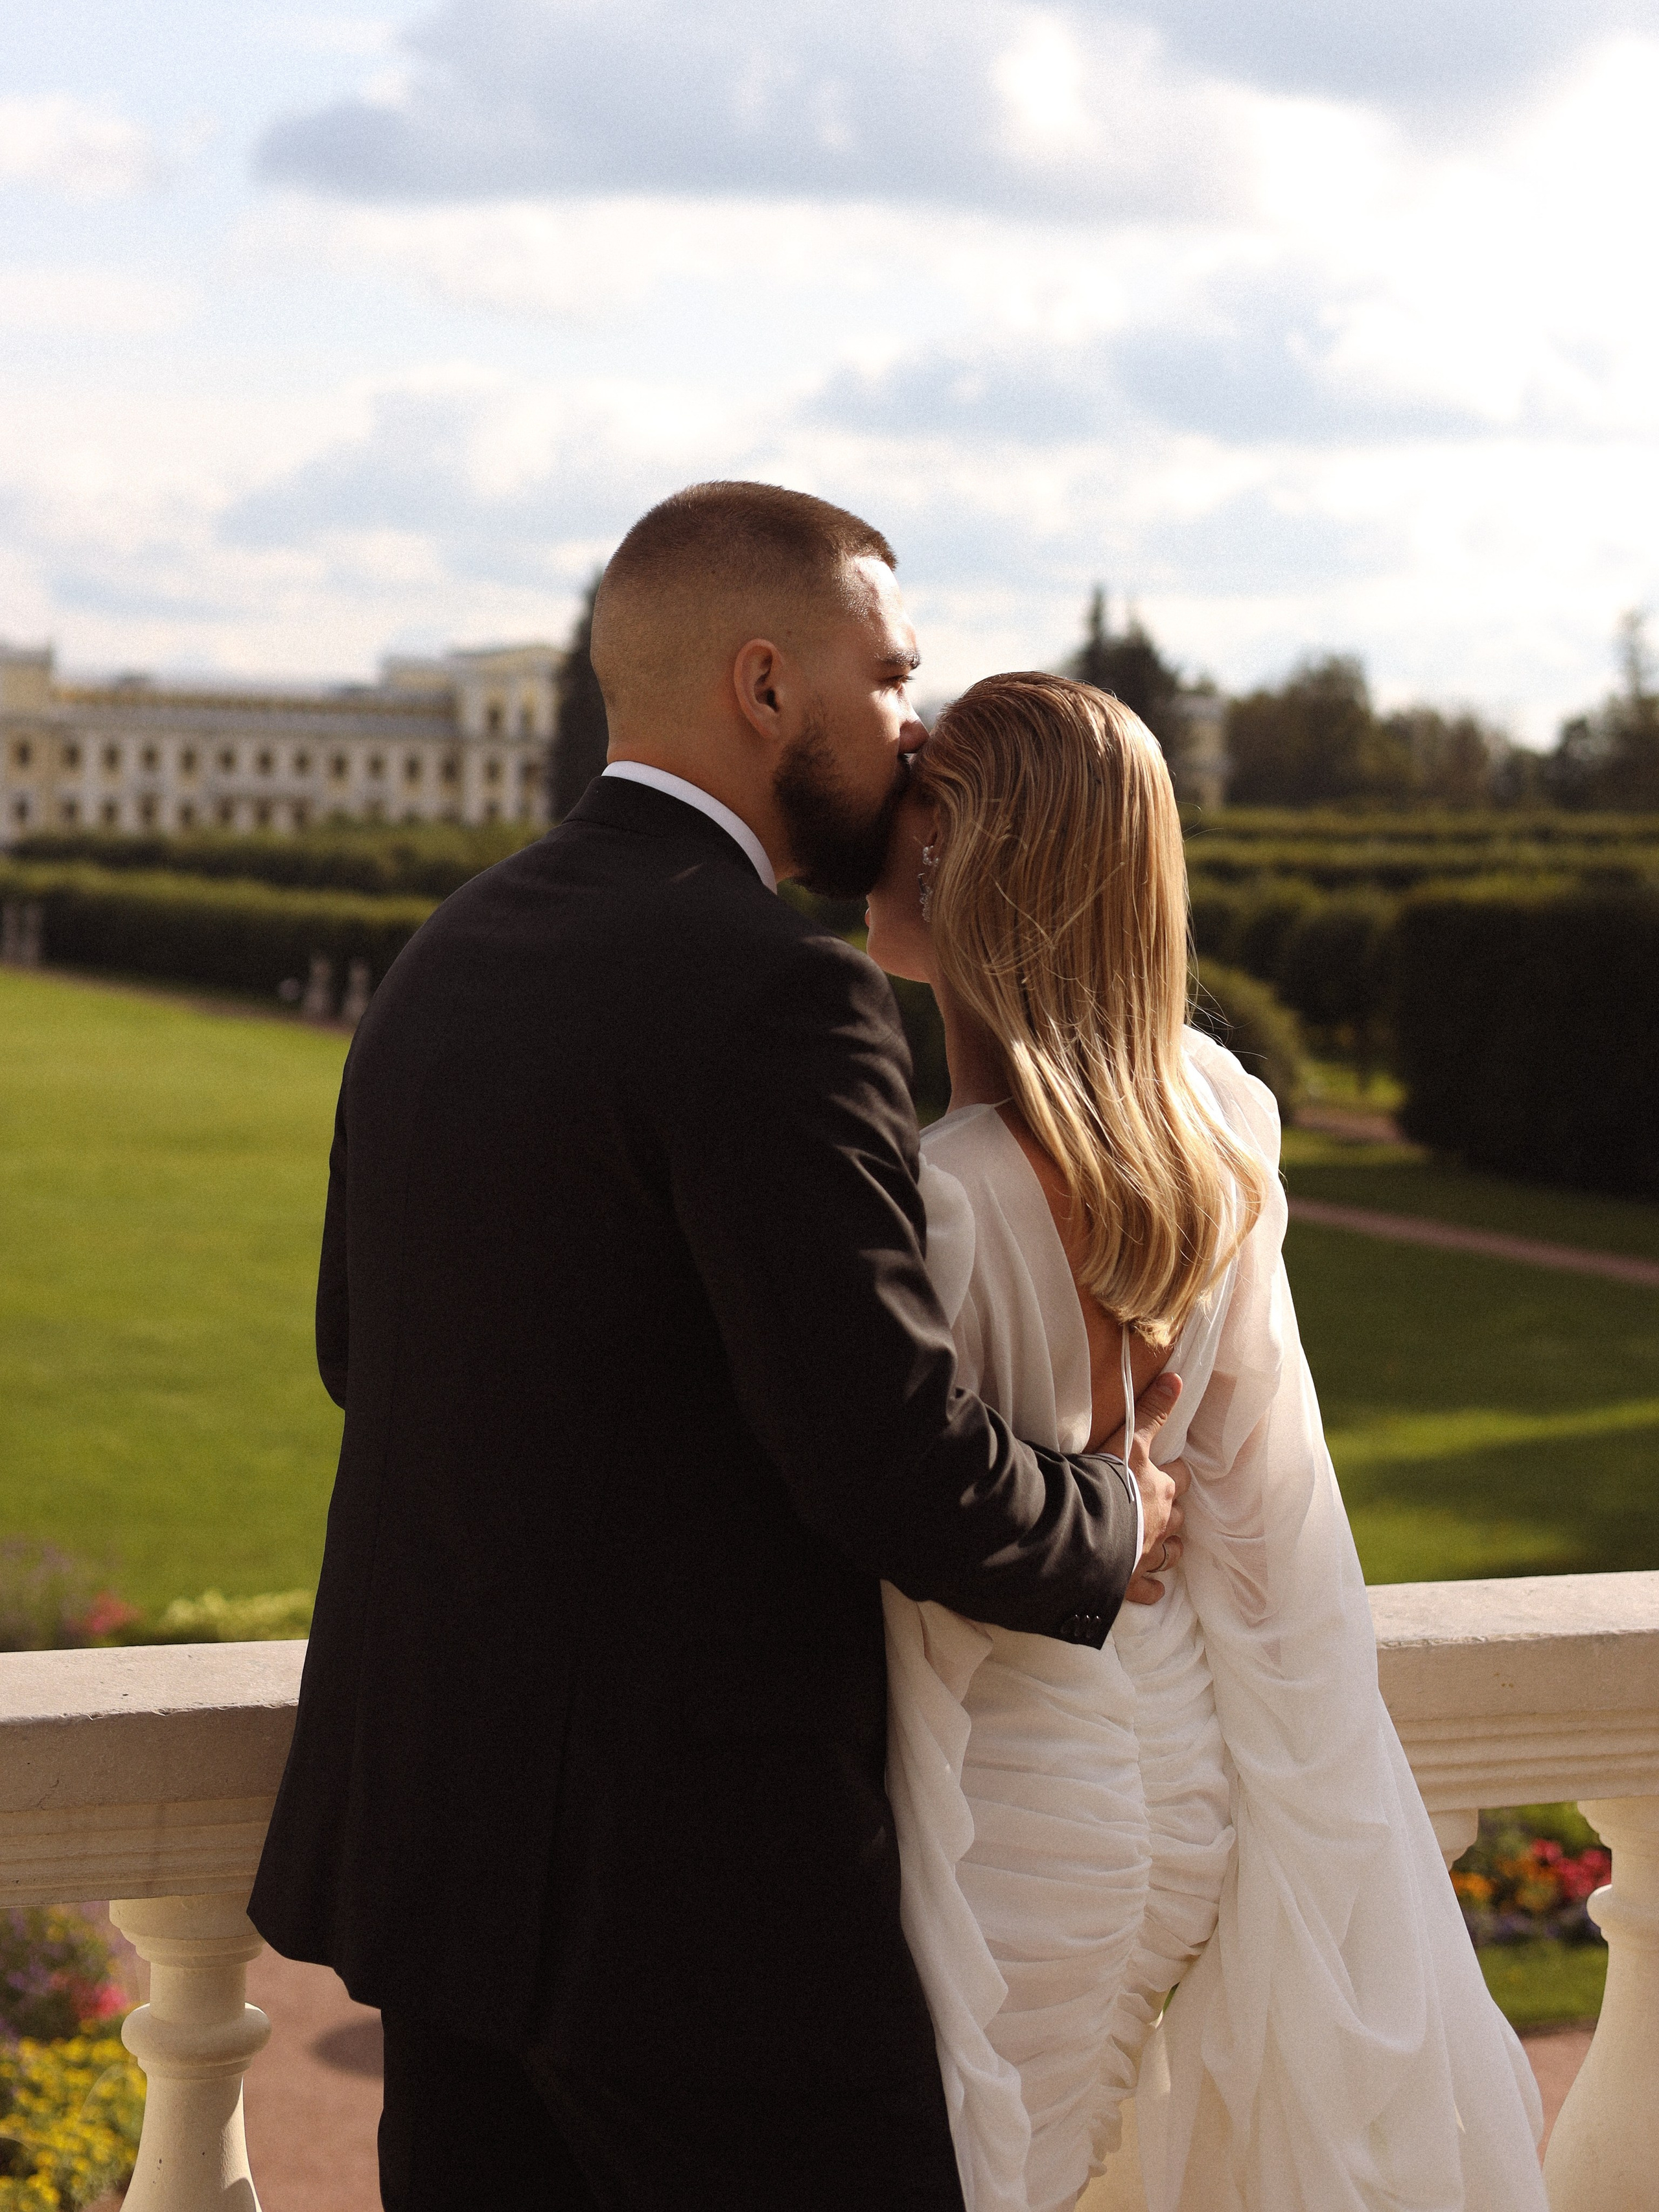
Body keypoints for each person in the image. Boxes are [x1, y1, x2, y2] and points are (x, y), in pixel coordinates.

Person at [249, 485, 1187, 2211]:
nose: (913, 724)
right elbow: (886, 1455)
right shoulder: (777, 987)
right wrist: (1112, 1517)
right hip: (695, 1909)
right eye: (889, 675)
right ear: (768, 685)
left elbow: (358, 1349)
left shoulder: (450, 949)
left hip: (438, 1872)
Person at [864, 672, 1548, 2212]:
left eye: (911, 801)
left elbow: (902, 1512)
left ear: (957, 860)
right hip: (1181, 1777)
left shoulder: (949, 1193)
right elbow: (1261, 1502)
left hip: (1017, 1812)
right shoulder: (1216, 1114)